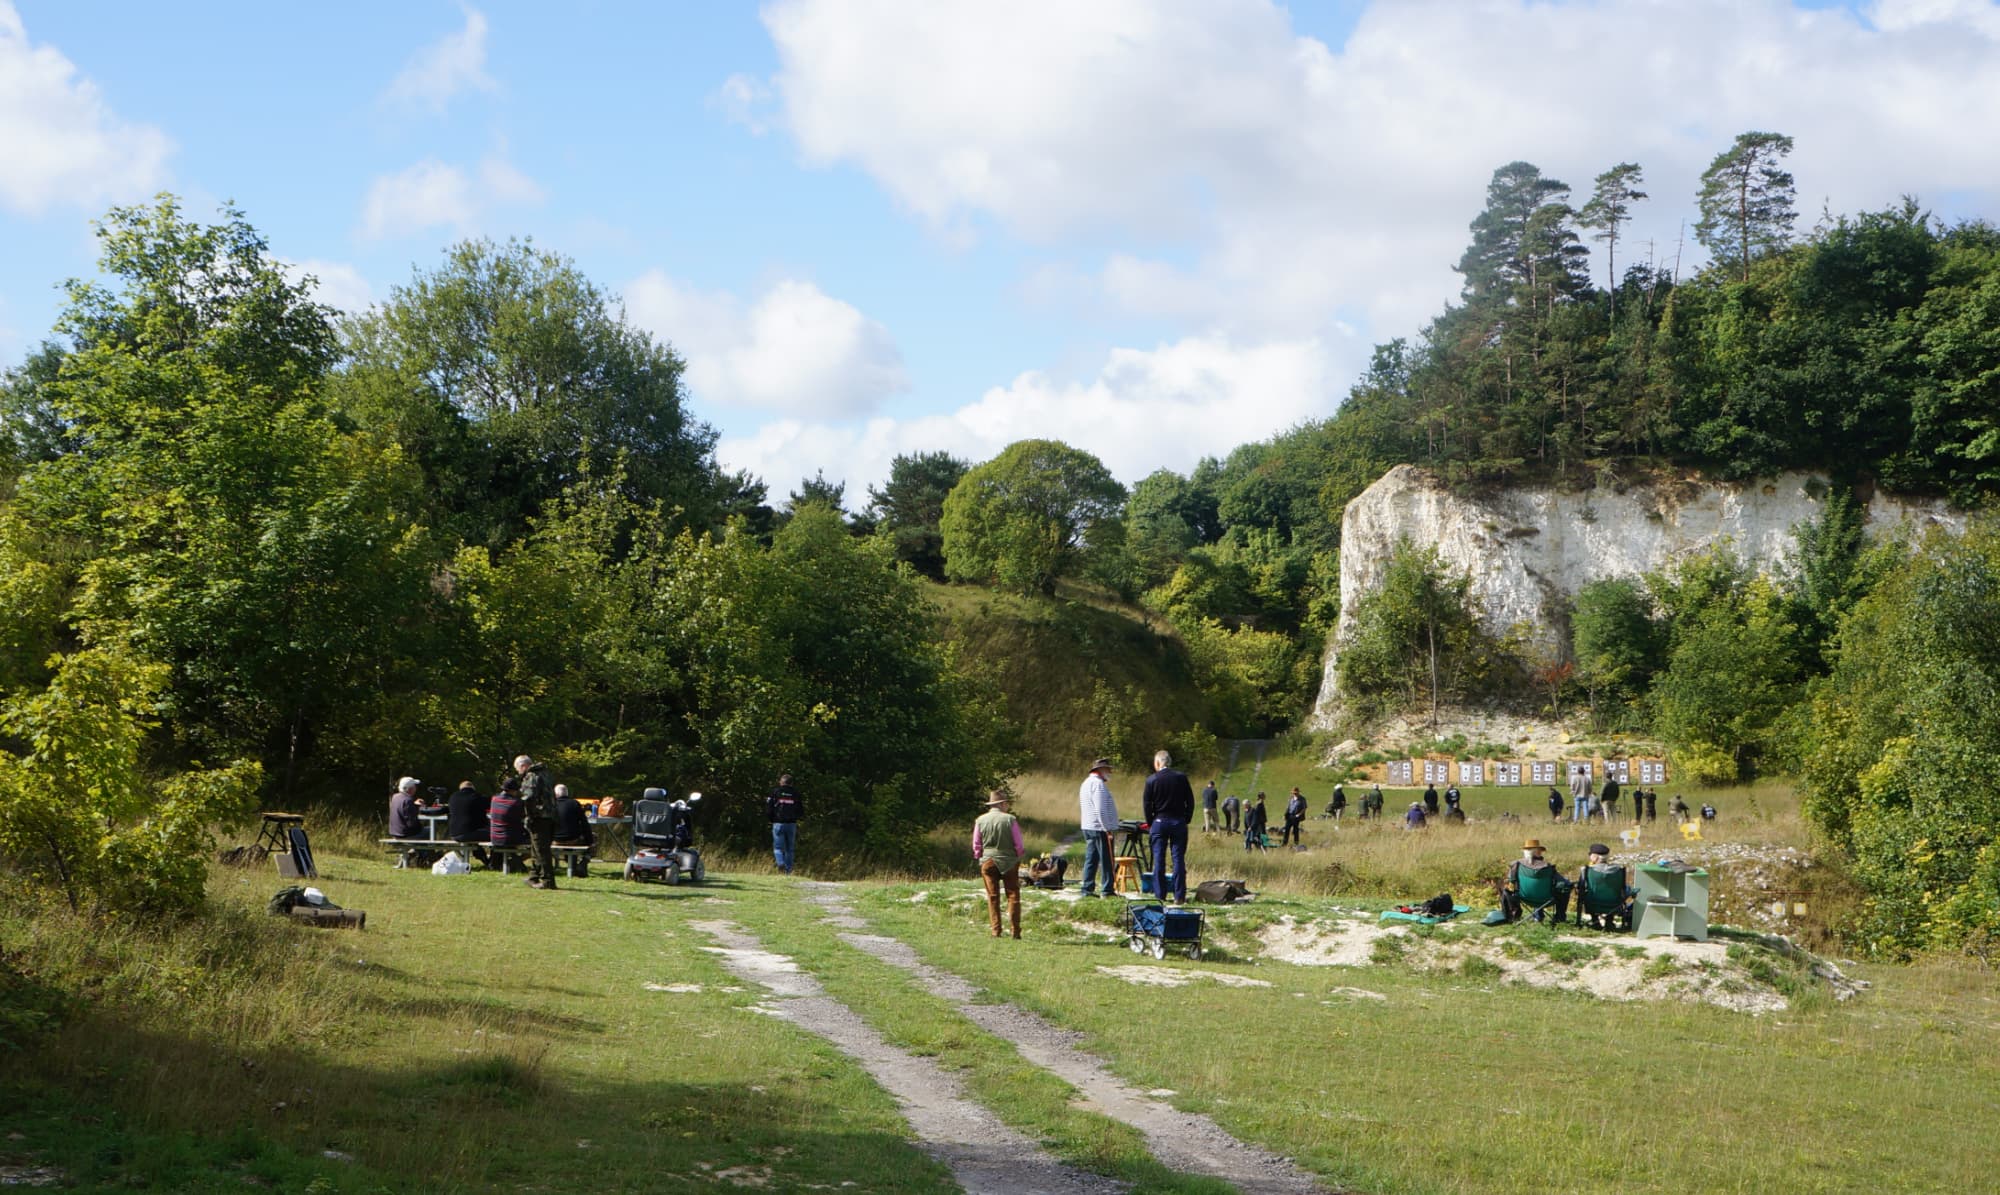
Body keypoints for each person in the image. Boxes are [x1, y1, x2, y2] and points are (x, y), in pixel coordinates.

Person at [1142, 750, 1195, 904]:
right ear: (1169, 762)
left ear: (1158, 763)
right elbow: (1190, 800)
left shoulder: (1151, 780)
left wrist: (1151, 821)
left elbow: (1147, 804)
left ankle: (1160, 894)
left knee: (1159, 859)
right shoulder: (1181, 778)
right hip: (1178, 821)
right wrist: (1187, 818)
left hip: (1159, 821)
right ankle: (1179, 896)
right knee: (1178, 859)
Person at [972, 790, 1026, 939]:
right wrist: (1018, 855)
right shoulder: (1010, 820)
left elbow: (976, 844)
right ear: (1002, 804)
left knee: (993, 896)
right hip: (1009, 861)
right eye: (1006, 803)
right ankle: (1015, 931)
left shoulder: (980, 820)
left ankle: (996, 930)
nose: (1007, 805)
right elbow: (1018, 843)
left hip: (988, 861)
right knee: (1013, 894)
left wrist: (979, 857)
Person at [1077, 757, 1120, 898]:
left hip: (1089, 826)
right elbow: (1100, 809)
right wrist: (1107, 827)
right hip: (1099, 827)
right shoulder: (1098, 785)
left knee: (1091, 858)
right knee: (1107, 859)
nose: (1110, 772)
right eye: (1108, 769)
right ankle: (1107, 890)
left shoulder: (1086, 783)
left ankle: (1087, 888)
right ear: (1100, 770)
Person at [515, 754, 558, 890]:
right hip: (550, 815)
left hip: (539, 817)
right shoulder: (545, 774)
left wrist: (528, 814)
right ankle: (533, 876)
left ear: (523, 766)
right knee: (536, 848)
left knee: (541, 849)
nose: (519, 773)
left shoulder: (531, 776)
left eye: (518, 769)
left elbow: (529, 797)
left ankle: (548, 881)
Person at [1501, 838, 1569, 922]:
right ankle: (1560, 917)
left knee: (1534, 889)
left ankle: (1538, 916)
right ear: (1536, 852)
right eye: (1539, 850)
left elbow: (1511, 880)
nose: (1541, 852)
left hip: (1524, 897)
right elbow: (1562, 882)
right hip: (1546, 899)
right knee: (1565, 889)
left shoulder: (1516, 865)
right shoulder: (1547, 867)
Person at [446, 780, 489, 864]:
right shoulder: (476, 797)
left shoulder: (453, 797)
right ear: (473, 788)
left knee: (473, 839)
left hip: (454, 834)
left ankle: (486, 860)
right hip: (469, 833)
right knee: (497, 836)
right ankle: (495, 862)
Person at [768, 773, 803, 874]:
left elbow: (769, 808)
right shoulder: (796, 793)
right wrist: (796, 818)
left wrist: (772, 819)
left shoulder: (775, 792)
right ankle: (788, 871)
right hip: (791, 824)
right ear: (791, 783)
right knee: (790, 849)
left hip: (778, 823)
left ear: (781, 782)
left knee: (778, 848)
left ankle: (780, 863)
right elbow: (800, 810)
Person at [488, 777, 526, 855]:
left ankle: (513, 862)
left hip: (494, 838)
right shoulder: (516, 802)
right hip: (509, 839)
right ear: (513, 790)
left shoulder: (494, 799)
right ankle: (516, 861)